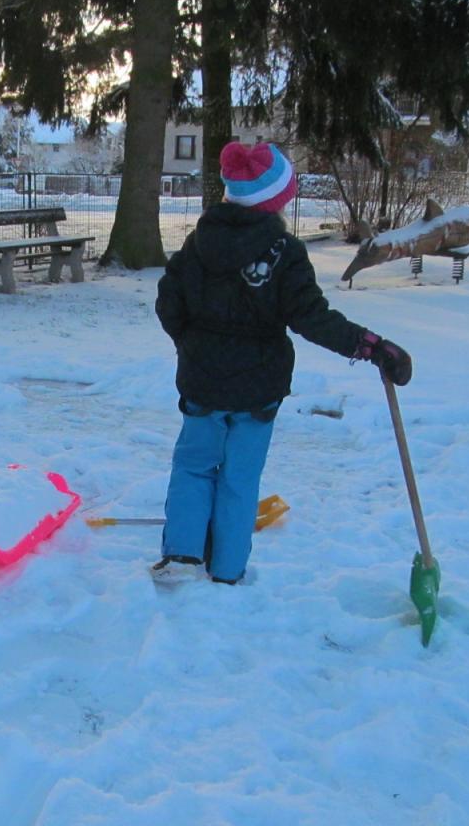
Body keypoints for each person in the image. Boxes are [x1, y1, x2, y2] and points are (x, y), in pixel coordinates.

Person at [153, 141, 412, 585]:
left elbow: (168, 305)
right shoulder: (284, 252)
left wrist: (193, 344)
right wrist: (370, 346)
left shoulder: (198, 244)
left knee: (194, 467)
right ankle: (228, 570)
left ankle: (181, 556)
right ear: (275, 200)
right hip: (258, 389)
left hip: (202, 382)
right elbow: (312, 317)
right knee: (239, 477)